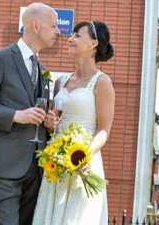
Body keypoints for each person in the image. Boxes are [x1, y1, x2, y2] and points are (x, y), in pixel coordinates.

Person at [0, 3, 60, 225]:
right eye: (54, 26)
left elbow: (37, 112)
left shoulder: (43, 70)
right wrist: (16, 115)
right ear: (36, 26)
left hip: (36, 169)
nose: (59, 32)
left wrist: (47, 122)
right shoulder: (0, 59)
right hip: (4, 166)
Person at [32, 21, 115, 225]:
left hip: (83, 162)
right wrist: (50, 124)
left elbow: (104, 130)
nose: (69, 39)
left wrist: (84, 155)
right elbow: (54, 122)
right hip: (56, 164)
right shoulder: (61, 82)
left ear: (93, 43)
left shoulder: (102, 82)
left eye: (77, 35)